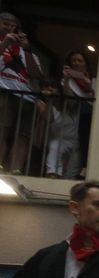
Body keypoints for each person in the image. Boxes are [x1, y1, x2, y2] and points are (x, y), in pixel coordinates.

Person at [0, 12, 42, 174]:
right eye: (6, 24)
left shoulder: (26, 51)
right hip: (5, 93)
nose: (11, 28)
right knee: (2, 130)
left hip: (27, 98)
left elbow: (36, 75)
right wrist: (5, 43)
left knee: (23, 136)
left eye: (14, 26)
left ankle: (16, 169)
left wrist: (28, 49)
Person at [62, 51, 94, 178]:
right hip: (76, 119)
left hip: (90, 118)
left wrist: (89, 85)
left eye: (79, 60)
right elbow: (69, 101)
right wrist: (66, 80)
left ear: (85, 64)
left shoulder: (94, 80)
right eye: (73, 60)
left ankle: (85, 167)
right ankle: (83, 169)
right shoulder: (67, 81)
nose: (76, 63)